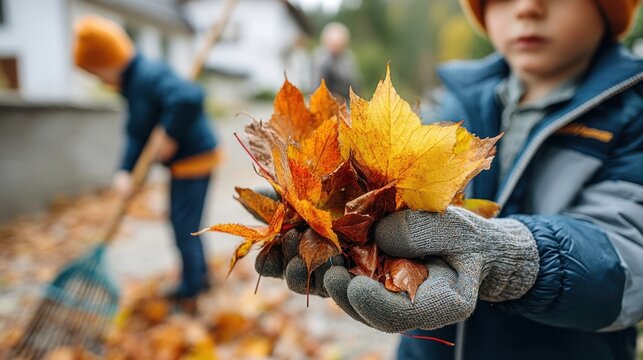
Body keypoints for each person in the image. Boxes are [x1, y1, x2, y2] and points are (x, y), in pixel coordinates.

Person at [255, 0, 643, 358]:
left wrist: (515, 260)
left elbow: (629, 255)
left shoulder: (633, 112)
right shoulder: (458, 98)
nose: (527, 7)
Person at [73, 15, 219, 313]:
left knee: (184, 226)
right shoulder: (133, 85)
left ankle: (192, 290)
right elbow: (137, 134)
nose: (99, 81)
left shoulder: (149, 74)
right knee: (187, 224)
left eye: (97, 73)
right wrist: (124, 171)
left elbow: (189, 97)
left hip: (194, 159)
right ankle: (200, 277)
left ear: (107, 62)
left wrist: (170, 133)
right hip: (188, 162)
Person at [312, 22, 362, 101]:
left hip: (345, 101)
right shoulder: (319, 57)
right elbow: (315, 85)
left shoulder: (348, 58)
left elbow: (355, 84)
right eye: (333, 45)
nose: (335, 49)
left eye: (339, 46)